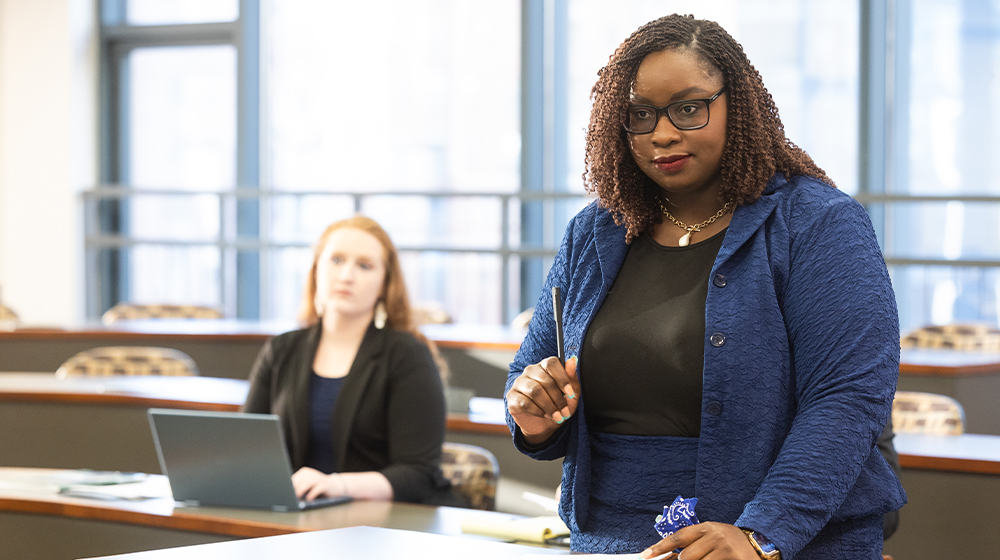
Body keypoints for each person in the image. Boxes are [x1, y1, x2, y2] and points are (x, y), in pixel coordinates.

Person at [505, 14, 906, 559]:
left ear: (734, 103)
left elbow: (846, 399)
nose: (662, 133)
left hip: (778, 540)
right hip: (611, 539)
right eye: (639, 116)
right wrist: (531, 415)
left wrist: (760, 534)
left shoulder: (816, 224)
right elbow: (533, 370)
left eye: (689, 109)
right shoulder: (596, 231)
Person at [244, 215, 453, 505]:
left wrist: (337, 485)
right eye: (336, 260)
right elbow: (247, 449)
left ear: (384, 284)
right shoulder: (281, 349)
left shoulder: (407, 356)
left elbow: (419, 474)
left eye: (364, 265)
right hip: (295, 518)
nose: (346, 276)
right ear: (317, 270)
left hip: (379, 528)